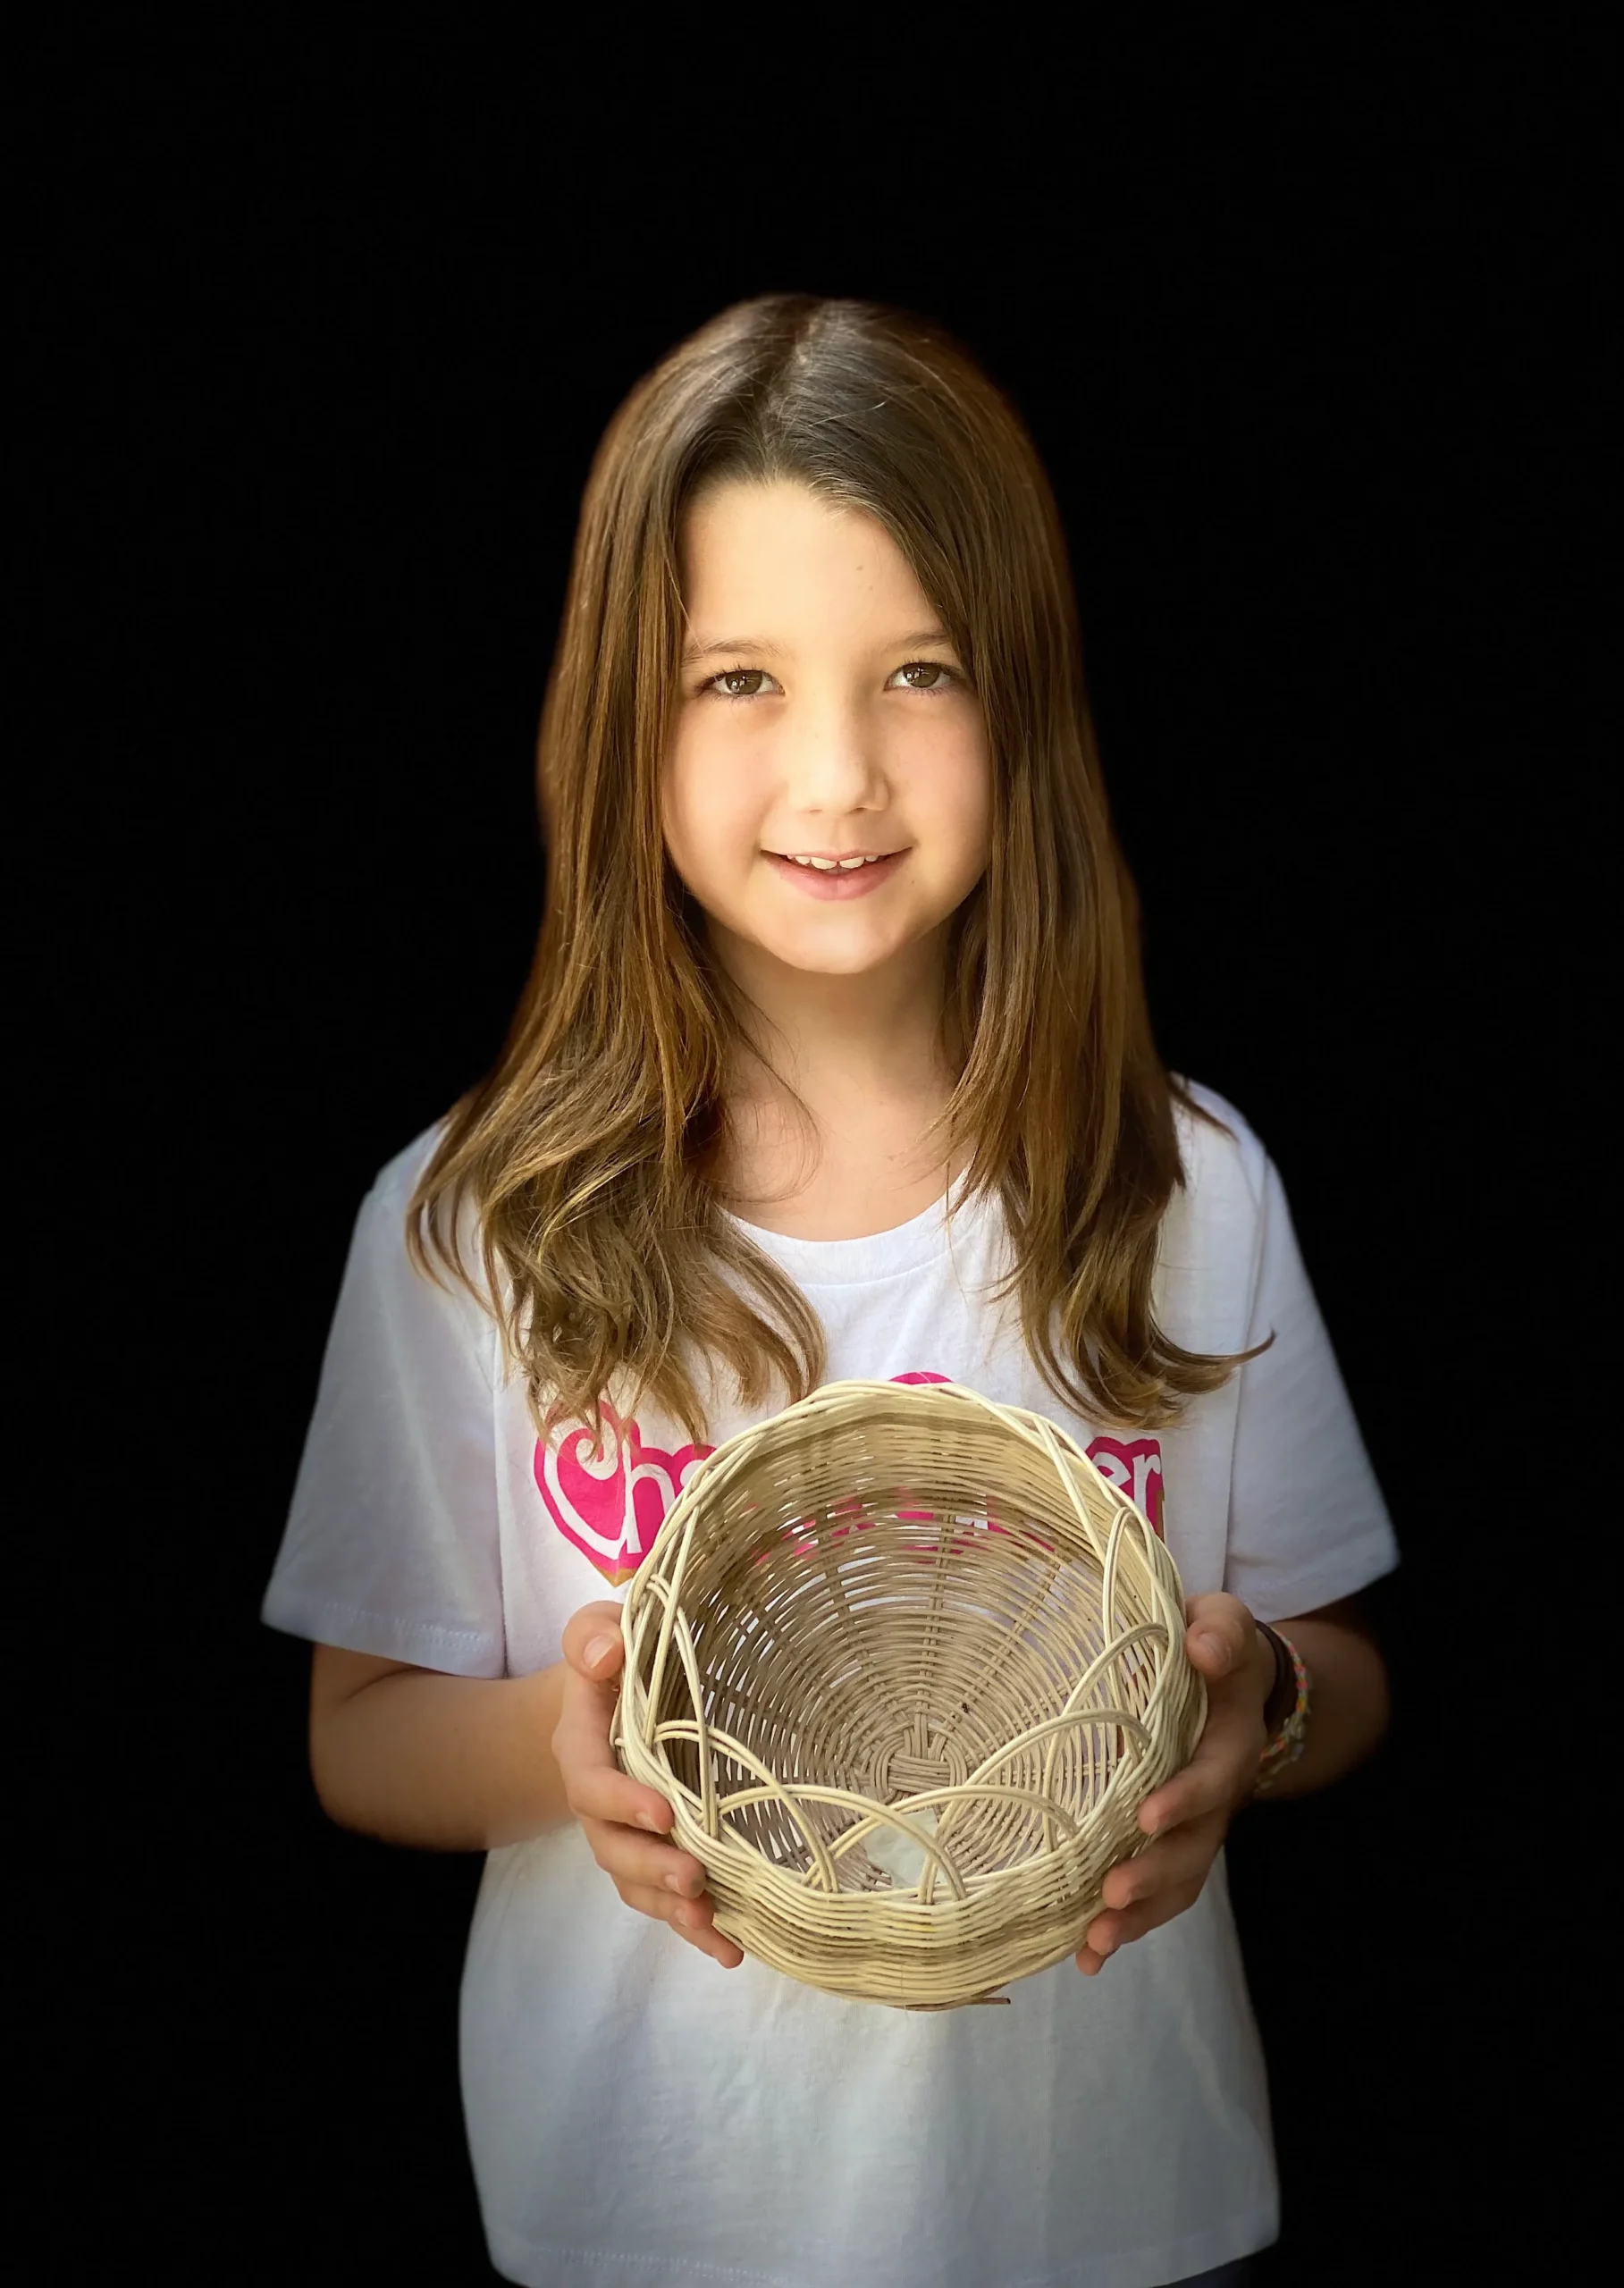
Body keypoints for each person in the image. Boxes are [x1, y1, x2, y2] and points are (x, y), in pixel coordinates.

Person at [263, 294, 1398, 2288]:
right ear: (624, 711)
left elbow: (1330, 1658)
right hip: (651, 2214)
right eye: (738, 679)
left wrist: (1265, 1719)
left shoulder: (1179, 1178)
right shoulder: (471, 1223)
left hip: (1109, 2213)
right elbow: (356, 1730)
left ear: (1023, 701)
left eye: (919, 672)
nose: (838, 769)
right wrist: (566, 1744)